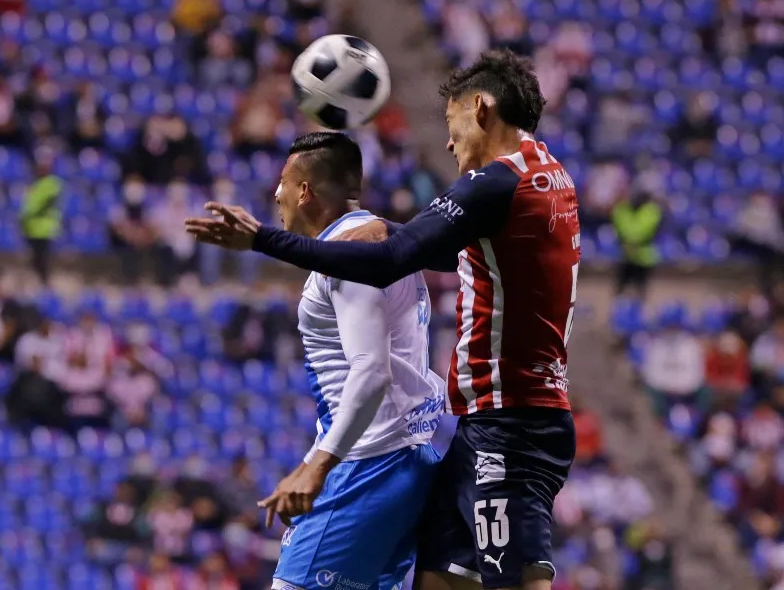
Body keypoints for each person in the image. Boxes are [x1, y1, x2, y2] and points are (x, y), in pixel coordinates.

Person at [187, 49, 579, 590]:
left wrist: (263, 240)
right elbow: (435, 249)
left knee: (515, 579)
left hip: (511, 423)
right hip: (479, 424)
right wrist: (381, 228)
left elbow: (394, 262)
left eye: (453, 122)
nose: (448, 141)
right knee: (442, 578)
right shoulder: (547, 177)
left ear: (482, 109)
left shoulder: (494, 183)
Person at [225, 132, 446, 590]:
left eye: (283, 182)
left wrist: (317, 467)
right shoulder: (378, 242)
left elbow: (371, 373)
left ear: (304, 190)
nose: (275, 193)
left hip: (368, 466)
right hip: (402, 456)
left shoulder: (353, 253)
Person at [20, 148, 62, 286]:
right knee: (34, 260)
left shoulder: (52, 184)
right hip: (31, 230)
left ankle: (45, 284)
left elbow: (35, 205)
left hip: (44, 230)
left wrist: (28, 211)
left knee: (43, 260)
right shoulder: (35, 184)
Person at [611, 190, 662, 298]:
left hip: (643, 258)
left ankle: (638, 311)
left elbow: (643, 232)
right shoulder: (622, 210)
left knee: (640, 290)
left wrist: (631, 242)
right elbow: (620, 227)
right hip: (626, 257)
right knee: (619, 289)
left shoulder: (652, 211)